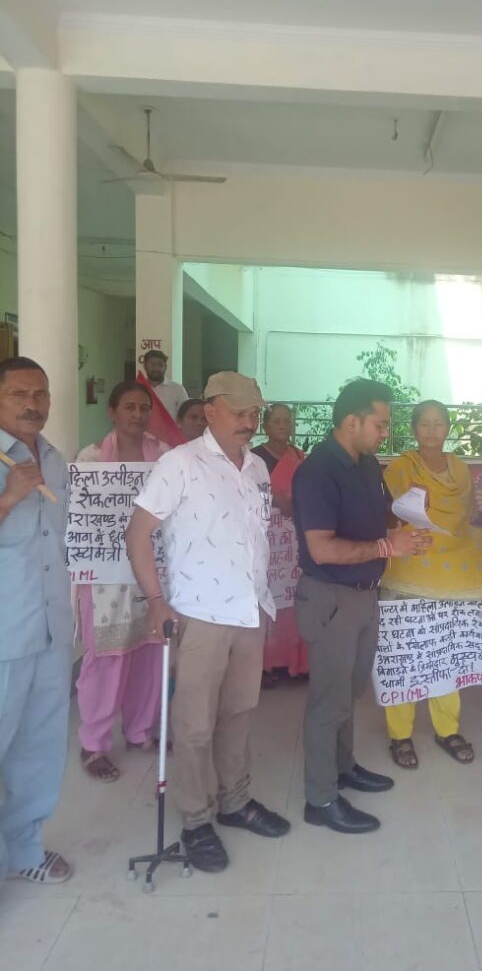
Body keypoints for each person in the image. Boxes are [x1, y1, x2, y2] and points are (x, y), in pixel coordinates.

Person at [126, 371, 290, 873]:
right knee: (194, 725)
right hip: (200, 613)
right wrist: (157, 602)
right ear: (211, 410)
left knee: (239, 711)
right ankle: (196, 819)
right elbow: (137, 534)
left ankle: (235, 801)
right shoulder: (179, 464)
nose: (249, 421)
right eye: (239, 412)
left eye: (254, 413)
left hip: (249, 610)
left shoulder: (256, 467)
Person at [291, 378, 431, 833]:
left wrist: (412, 518)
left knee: (349, 693)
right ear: (351, 421)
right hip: (330, 598)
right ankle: (320, 798)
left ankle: (343, 767)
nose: (385, 432)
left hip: (365, 595)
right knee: (328, 702)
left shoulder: (367, 464)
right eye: (380, 423)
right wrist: (389, 548)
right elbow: (322, 549)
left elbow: (381, 517)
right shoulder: (317, 472)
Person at [382, 400, 482, 769]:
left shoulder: (461, 469)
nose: (432, 431)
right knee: (406, 656)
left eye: (439, 423)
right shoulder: (400, 467)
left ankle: (447, 729)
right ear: (413, 429)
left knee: (445, 653)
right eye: (425, 424)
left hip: (453, 576)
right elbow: (399, 514)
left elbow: (465, 522)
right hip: (411, 571)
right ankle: (400, 734)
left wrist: (481, 508)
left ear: (448, 428)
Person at [0, 357, 73, 885]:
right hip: (5, 633)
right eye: (19, 394)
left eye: (41, 394)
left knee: (40, 747)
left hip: (51, 629)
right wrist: (8, 498)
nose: (33, 404)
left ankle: (25, 848)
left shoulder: (55, 459)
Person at [76, 381, 168, 783]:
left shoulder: (164, 457)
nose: (137, 414)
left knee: (150, 651)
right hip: (104, 576)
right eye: (128, 407)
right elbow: (79, 519)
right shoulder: (92, 457)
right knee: (107, 657)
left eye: (144, 407)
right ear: (111, 412)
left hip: (151, 571)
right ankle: (94, 743)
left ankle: (139, 731)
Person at [251, 404, 309, 681]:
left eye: (287, 420)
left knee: (293, 599)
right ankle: (267, 665)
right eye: (277, 421)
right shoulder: (254, 458)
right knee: (267, 598)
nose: (283, 425)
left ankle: (295, 664)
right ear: (265, 425)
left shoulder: (299, 457)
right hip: (265, 539)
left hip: (294, 540)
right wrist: (275, 500)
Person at [140, 348, 188, 419]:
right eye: (152, 365)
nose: (156, 368)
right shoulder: (138, 388)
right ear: (145, 366)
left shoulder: (178, 389)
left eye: (160, 365)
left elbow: (186, 414)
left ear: (165, 367)